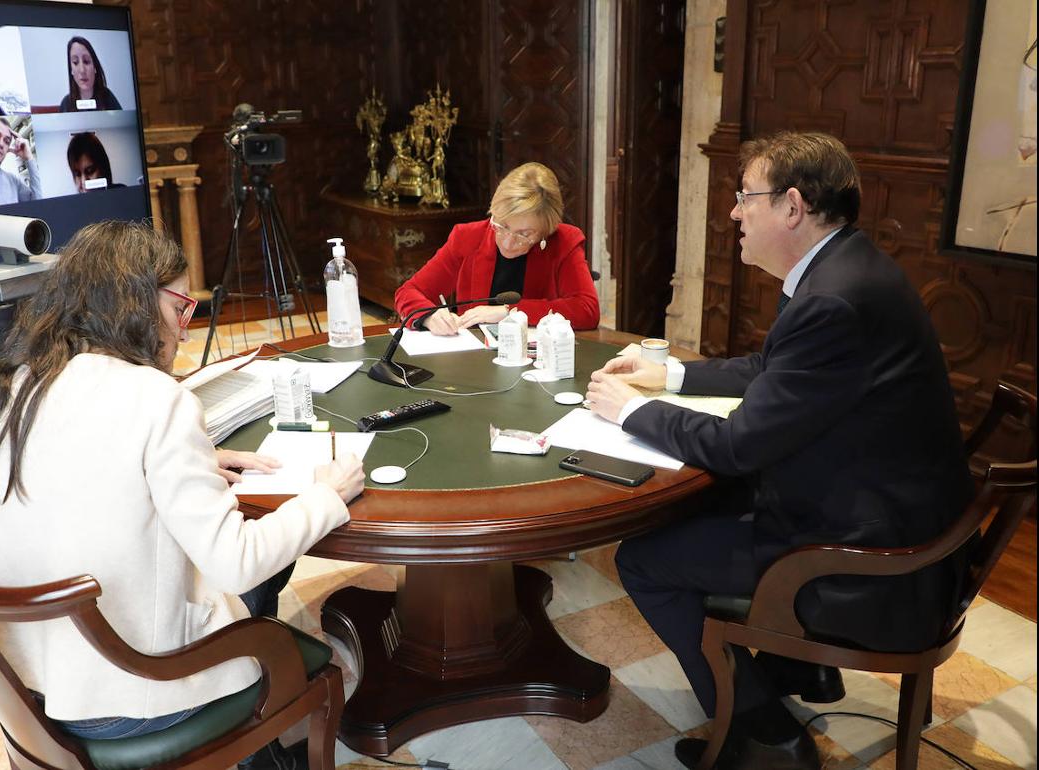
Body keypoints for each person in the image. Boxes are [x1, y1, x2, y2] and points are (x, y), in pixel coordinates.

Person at [585, 132, 972, 769]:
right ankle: (804, 669)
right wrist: (672, 376)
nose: (735, 212)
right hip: (897, 508)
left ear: (792, 206)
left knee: (645, 560)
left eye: (745, 197)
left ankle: (761, 734)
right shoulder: (844, 265)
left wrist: (628, 410)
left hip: (874, 555)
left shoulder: (831, 300)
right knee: (698, 509)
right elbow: (775, 367)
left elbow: (738, 447)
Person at [0, 221, 364, 769]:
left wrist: (193, 463)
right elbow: (237, 563)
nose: (186, 330)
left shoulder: (6, 385)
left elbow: (66, 468)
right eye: (180, 308)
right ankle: (261, 744)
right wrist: (327, 496)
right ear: (135, 302)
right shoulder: (154, 397)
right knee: (267, 569)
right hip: (131, 692)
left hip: (27, 686)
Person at [393, 161, 599, 334]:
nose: (508, 242)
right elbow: (408, 292)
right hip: (474, 358)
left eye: (524, 234)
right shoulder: (468, 237)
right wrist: (429, 316)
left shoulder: (564, 242)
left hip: (539, 363)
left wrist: (511, 311)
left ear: (547, 230)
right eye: (502, 226)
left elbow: (587, 310)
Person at [59, 36, 122, 112]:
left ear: (95, 67)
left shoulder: (107, 97)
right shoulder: (66, 104)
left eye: (86, 61)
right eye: (75, 62)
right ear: (71, 70)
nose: (82, 70)